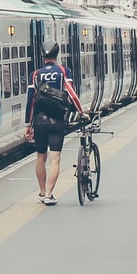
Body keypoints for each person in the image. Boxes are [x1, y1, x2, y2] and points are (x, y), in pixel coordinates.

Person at [23, 43, 83, 205]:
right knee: (55, 159)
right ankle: (50, 194)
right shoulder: (63, 71)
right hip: (57, 120)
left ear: (43, 56)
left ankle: (42, 192)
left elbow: (30, 101)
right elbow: (72, 94)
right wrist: (81, 112)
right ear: (57, 55)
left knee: (40, 157)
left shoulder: (35, 75)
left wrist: (28, 124)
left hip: (40, 122)